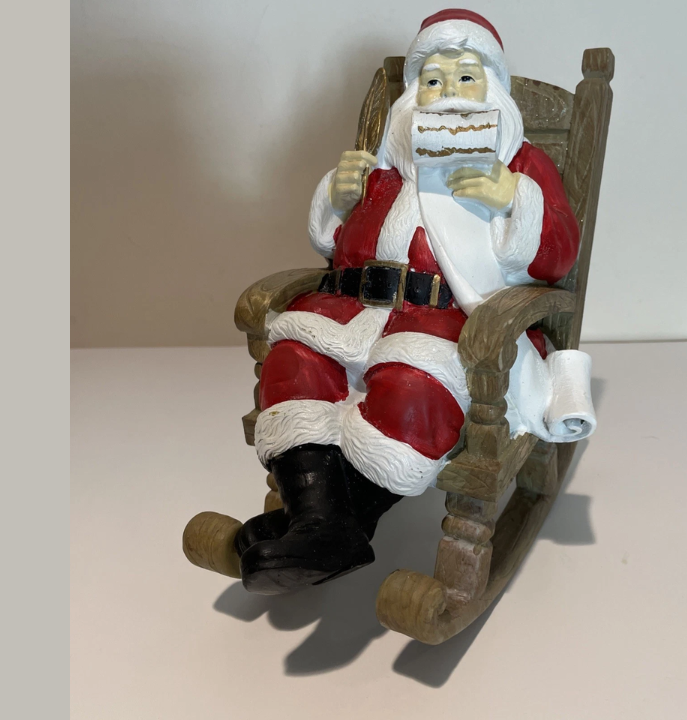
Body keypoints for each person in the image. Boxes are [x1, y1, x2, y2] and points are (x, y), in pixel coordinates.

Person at [236, 9, 591, 594]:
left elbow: (558, 254)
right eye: (432, 80)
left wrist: (514, 198)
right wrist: (338, 197)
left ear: (493, 89)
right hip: (354, 310)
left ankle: (325, 523)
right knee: (292, 363)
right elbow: (337, 243)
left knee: (411, 386)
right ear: (410, 96)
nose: (447, 93)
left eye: (466, 78)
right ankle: (318, 518)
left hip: (450, 321)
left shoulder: (518, 163)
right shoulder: (386, 164)